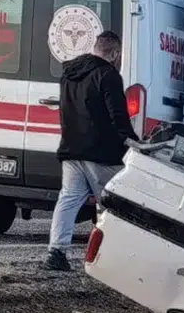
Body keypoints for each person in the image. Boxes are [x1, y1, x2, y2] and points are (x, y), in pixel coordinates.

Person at [43, 31, 136, 272]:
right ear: (114, 53)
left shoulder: (69, 74)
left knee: (68, 199)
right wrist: (132, 141)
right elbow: (117, 115)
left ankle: (56, 252)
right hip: (102, 153)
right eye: (118, 55)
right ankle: (109, 258)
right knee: (112, 204)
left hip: (71, 149)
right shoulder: (109, 75)